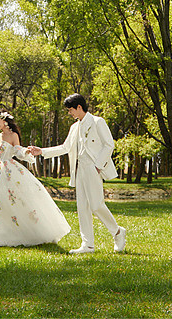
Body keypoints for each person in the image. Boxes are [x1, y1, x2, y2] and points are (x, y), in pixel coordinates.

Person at [27, 93, 126, 254]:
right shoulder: (74, 127)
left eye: (71, 110)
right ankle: (88, 245)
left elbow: (109, 145)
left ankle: (117, 232)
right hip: (79, 171)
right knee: (83, 208)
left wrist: (97, 166)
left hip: (93, 168)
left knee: (96, 205)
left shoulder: (97, 122)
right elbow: (65, 148)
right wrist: (41, 151)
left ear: (79, 107)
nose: (69, 113)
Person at [0, 108, 71, 247]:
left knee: (15, 200)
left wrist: (25, 151)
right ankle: (0, 232)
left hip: (9, 171)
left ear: (5, 120)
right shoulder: (0, 136)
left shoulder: (13, 135)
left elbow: (17, 150)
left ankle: (24, 232)